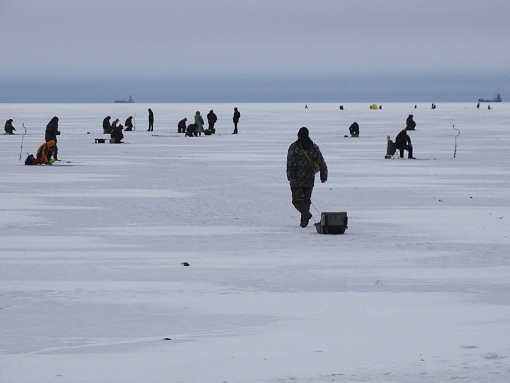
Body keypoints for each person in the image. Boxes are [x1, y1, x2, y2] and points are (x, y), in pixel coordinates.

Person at [286, 127, 328, 228]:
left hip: (296, 179)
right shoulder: (314, 147)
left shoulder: (294, 147)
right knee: (306, 200)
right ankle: (304, 220)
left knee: (297, 200)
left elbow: (290, 163)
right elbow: (321, 162)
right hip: (309, 178)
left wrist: (290, 176)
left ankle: (305, 215)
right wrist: (323, 176)